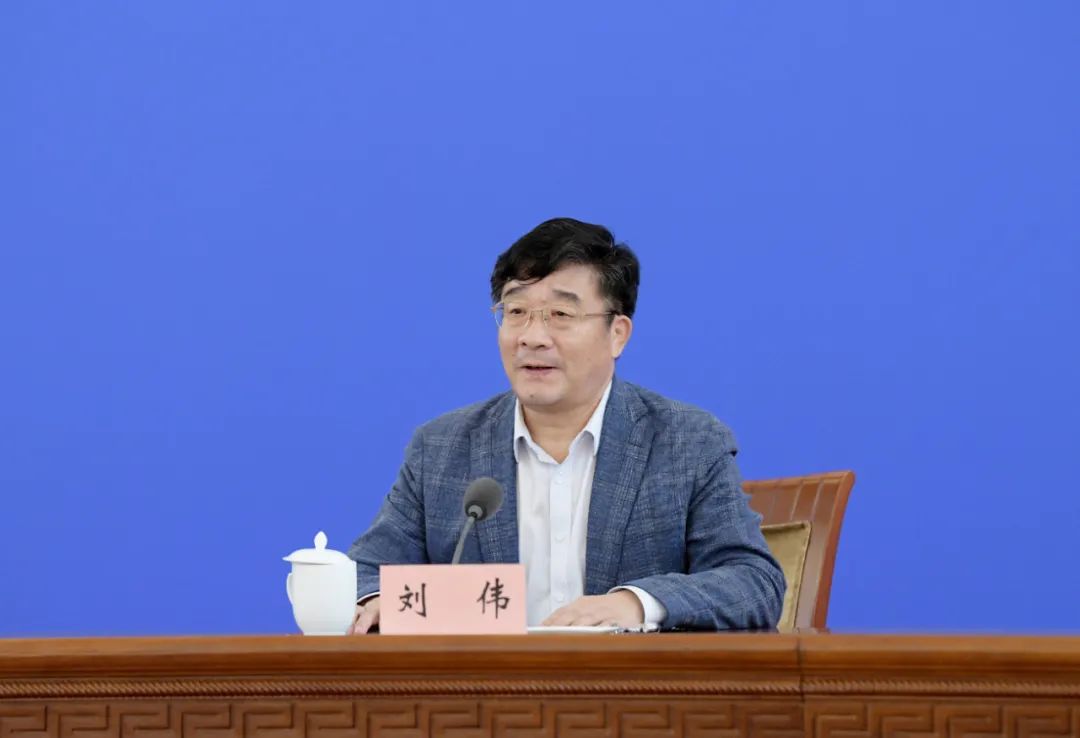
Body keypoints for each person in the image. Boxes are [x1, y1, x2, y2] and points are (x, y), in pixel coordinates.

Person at [347, 217, 784, 633]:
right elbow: (363, 572)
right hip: (484, 685)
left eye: (560, 314)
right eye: (516, 311)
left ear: (617, 334)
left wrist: (635, 604)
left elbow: (752, 581)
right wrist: (379, 600)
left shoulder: (687, 443)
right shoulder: (442, 448)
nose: (532, 337)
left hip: (625, 685)